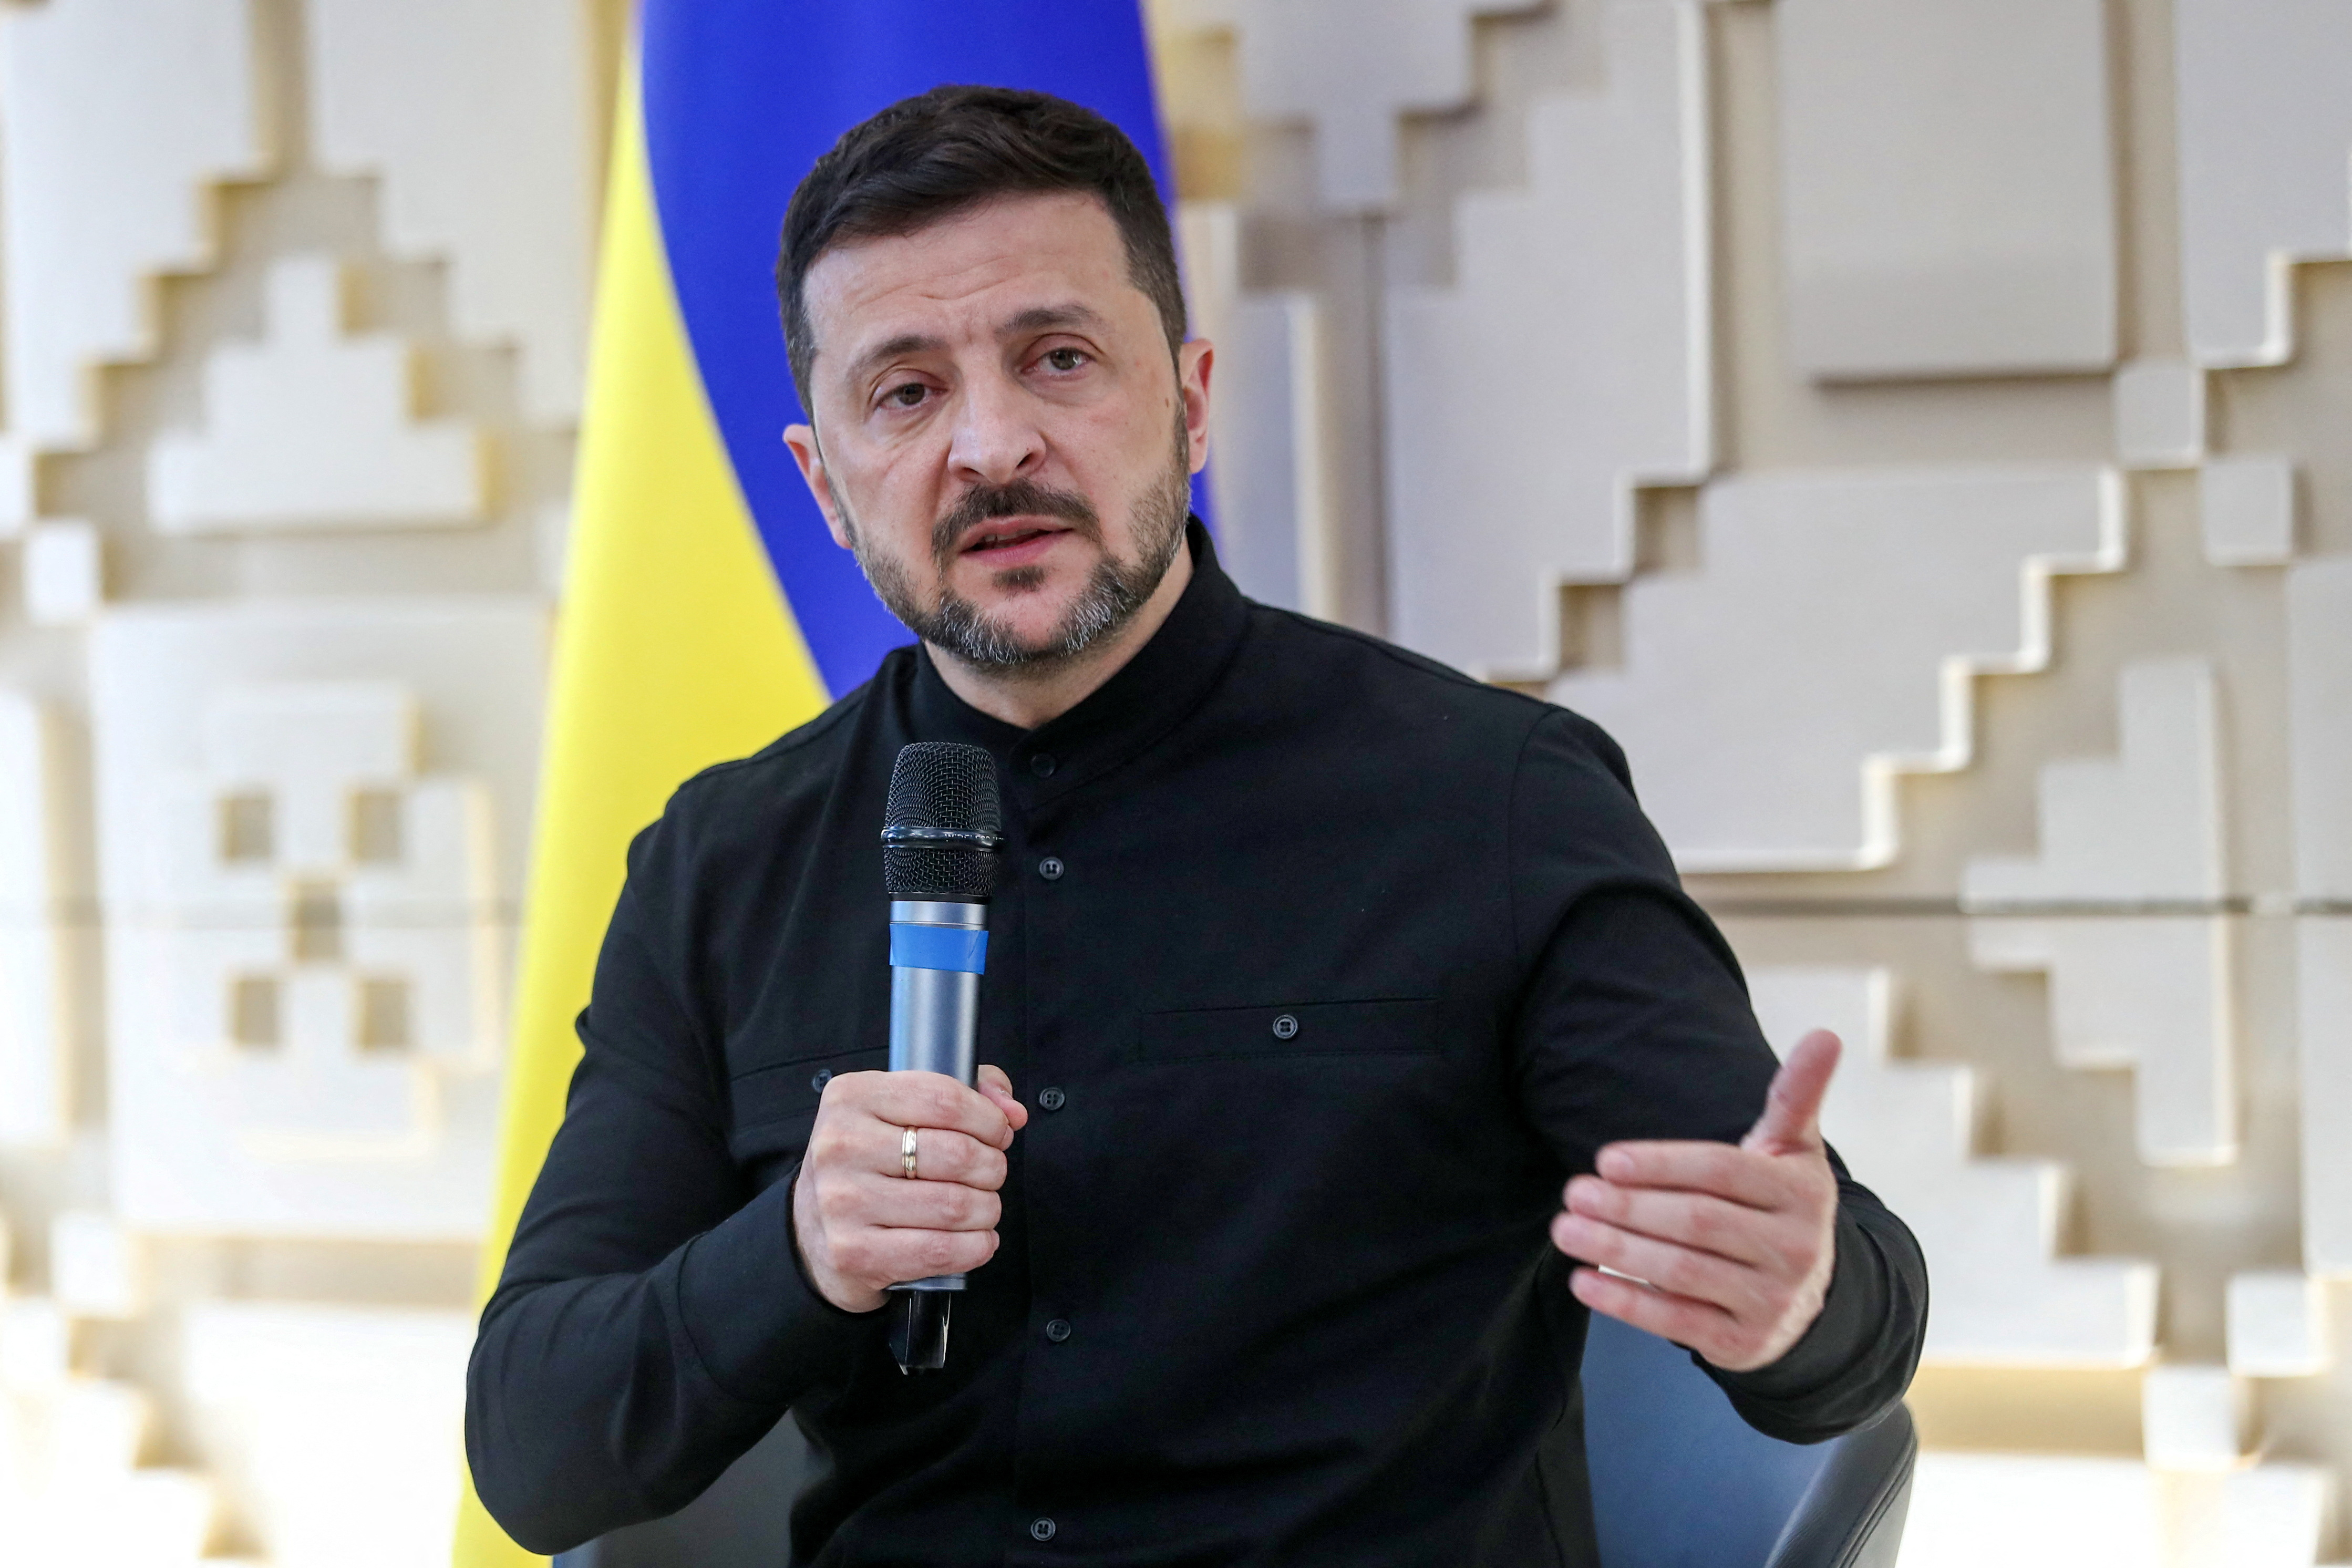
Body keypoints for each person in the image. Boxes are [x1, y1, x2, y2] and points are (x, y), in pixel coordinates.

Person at [466, 85, 1926, 1567]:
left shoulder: (1492, 800)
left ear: (1189, 398)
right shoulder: (723, 861)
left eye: (1057, 359)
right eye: (903, 392)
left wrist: (1796, 1299)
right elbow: (532, 1455)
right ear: (822, 487)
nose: (989, 444)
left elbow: (1844, 1315)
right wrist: (792, 1251)